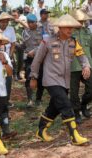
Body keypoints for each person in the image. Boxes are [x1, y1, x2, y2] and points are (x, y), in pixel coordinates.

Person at [30, 14, 90, 145]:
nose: (70, 30)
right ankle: (74, 135)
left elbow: (82, 56)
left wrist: (86, 66)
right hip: (51, 79)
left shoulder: (73, 42)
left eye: (71, 28)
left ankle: (41, 130)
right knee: (65, 104)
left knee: (54, 107)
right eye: (67, 27)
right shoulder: (47, 41)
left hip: (65, 81)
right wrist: (33, 77)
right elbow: (37, 60)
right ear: (60, 28)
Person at [69, 9, 92, 124]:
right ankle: (76, 112)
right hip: (73, 67)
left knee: (90, 89)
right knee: (74, 92)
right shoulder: (68, 33)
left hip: (87, 66)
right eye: (79, 20)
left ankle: (84, 105)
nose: (81, 23)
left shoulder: (87, 32)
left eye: (82, 20)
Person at [22, 13, 44, 107]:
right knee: (28, 78)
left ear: (36, 22)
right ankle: (30, 100)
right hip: (29, 59)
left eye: (32, 22)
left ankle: (38, 99)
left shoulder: (41, 31)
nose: (30, 24)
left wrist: (34, 51)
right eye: (28, 22)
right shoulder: (25, 31)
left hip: (40, 59)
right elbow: (24, 44)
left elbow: (44, 44)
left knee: (40, 79)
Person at [0, 12, 16, 107]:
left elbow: (13, 44)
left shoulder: (11, 29)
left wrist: (10, 55)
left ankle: (6, 100)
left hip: (7, 56)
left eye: (6, 21)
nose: (4, 23)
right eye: (2, 22)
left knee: (8, 77)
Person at [11, 9, 28, 80]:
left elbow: (28, 27)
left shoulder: (21, 23)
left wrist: (20, 21)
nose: (14, 17)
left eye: (15, 15)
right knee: (15, 60)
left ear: (18, 16)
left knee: (21, 60)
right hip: (14, 44)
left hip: (21, 44)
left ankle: (18, 73)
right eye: (13, 15)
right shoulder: (10, 24)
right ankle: (14, 74)